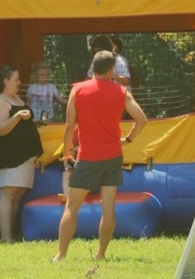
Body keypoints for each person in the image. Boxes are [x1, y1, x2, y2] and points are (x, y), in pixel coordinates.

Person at [53, 50, 147, 262]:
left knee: (72, 207)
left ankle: (60, 255)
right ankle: (101, 254)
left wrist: (67, 151)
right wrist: (128, 140)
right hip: (113, 156)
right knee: (108, 207)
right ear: (112, 70)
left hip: (87, 157)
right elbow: (142, 119)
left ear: (92, 67)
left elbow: (69, 126)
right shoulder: (121, 92)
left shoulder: (78, 90)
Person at [0, 65, 43, 242]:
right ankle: (6, 237)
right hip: (10, 155)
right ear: (6, 81)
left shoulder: (16, 98)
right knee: (8, 194)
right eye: (16, 79)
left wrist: (34, 121)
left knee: (17, 194)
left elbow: (22, 122)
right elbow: (0, 129)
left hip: (25, 154)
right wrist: (18, 117)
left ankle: (11, 233)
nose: (19, 82)